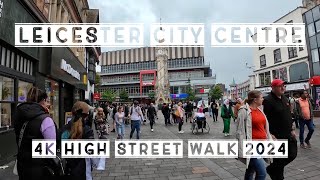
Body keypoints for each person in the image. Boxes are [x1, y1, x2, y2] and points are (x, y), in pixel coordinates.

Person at [14, 87, 56, 180]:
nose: (48, 104)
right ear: (43, 100)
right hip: (40, 168)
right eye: (47, 101)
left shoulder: (19, 114)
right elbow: (50, 149)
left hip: (22, 164)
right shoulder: (45, 120)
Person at [263, 79, 297, 180]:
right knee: (279, 160)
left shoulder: (285, 98)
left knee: (292, 154)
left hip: (288, 133)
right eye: (280, 86)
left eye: (284, 86)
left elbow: (288, 115)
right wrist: (269, 133)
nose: (283, 88)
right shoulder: (268, 101)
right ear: (273, 88)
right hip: (276, 136)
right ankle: (278, 176)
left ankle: (271, 169)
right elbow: (264, 119)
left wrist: (292, 129)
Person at [236, 90, 273, 180]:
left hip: (262, 144)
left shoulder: (260, 110)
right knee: (262, 173)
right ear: (255, 100)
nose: (263, 99)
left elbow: (263, 127)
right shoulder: (244, 111)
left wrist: (269, 137)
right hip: (252, 146)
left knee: (250, 170)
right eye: (261, 97)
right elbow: (240, 131)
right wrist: (242, 148)